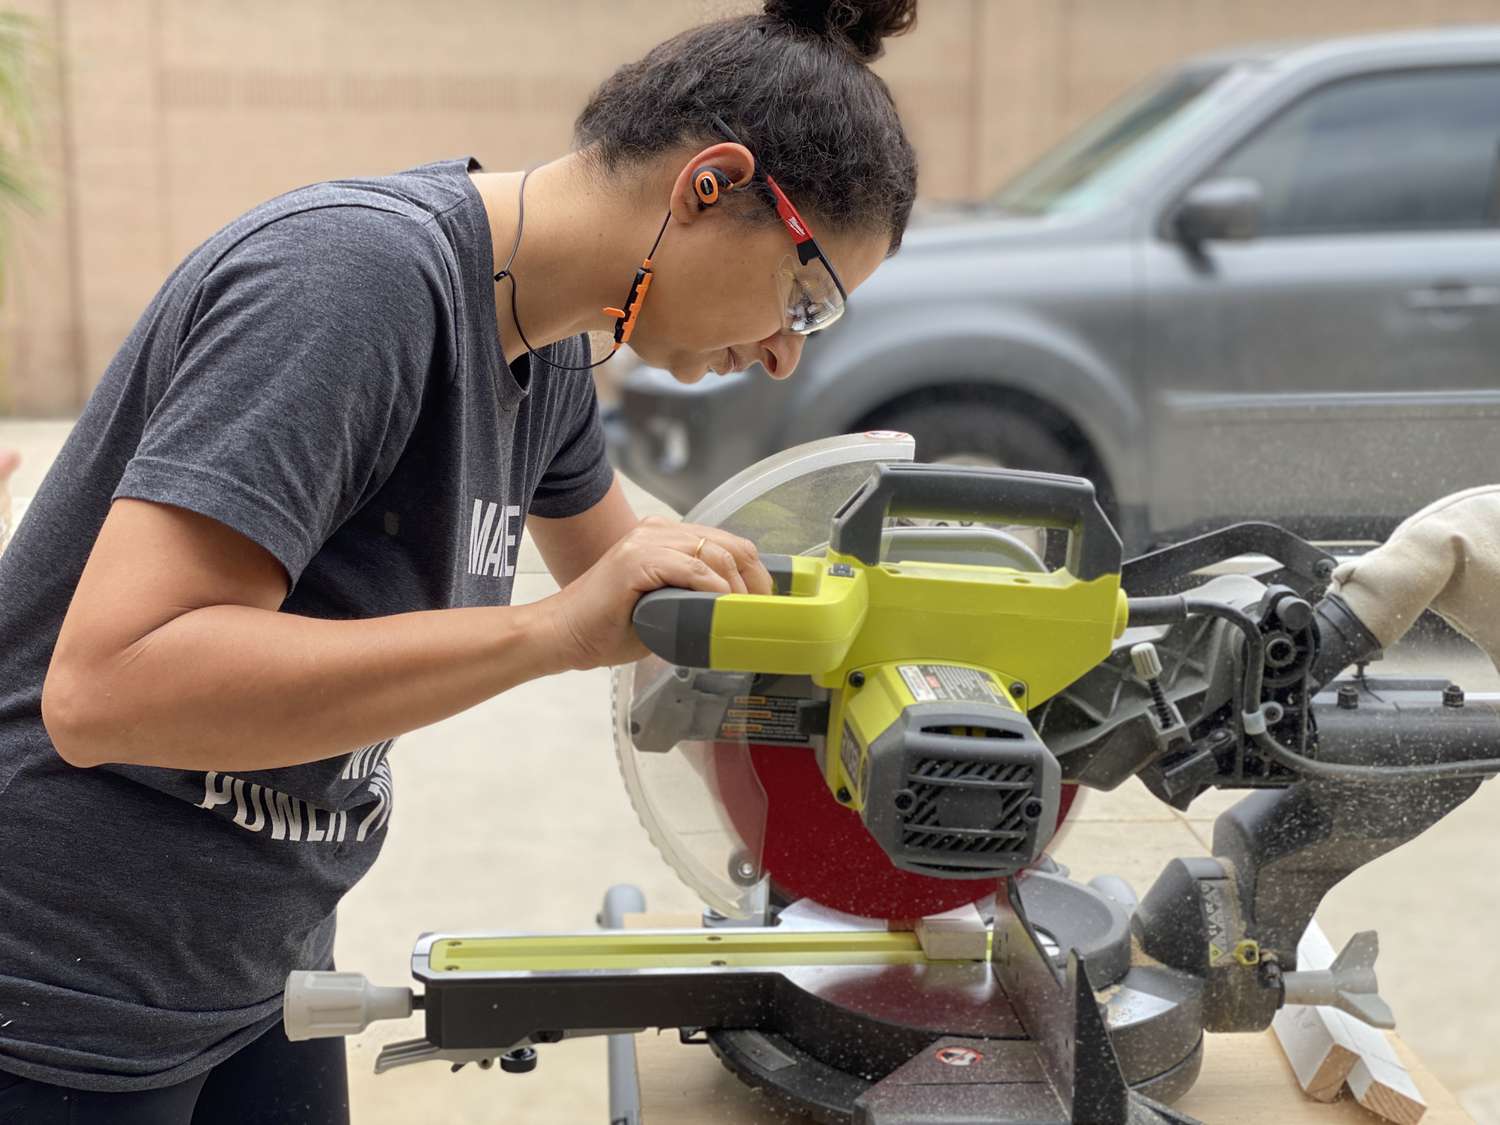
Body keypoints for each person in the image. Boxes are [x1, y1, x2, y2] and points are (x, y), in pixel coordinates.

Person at [0, 0, 919, 1121]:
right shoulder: (352, 284)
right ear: (709, 184)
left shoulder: (550, 358)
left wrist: (887, 659)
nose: (784, 354)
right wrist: (549, 633)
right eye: (807, 297)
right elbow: (106, 691)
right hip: (57, 982)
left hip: (250, 963)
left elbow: (671, 604)